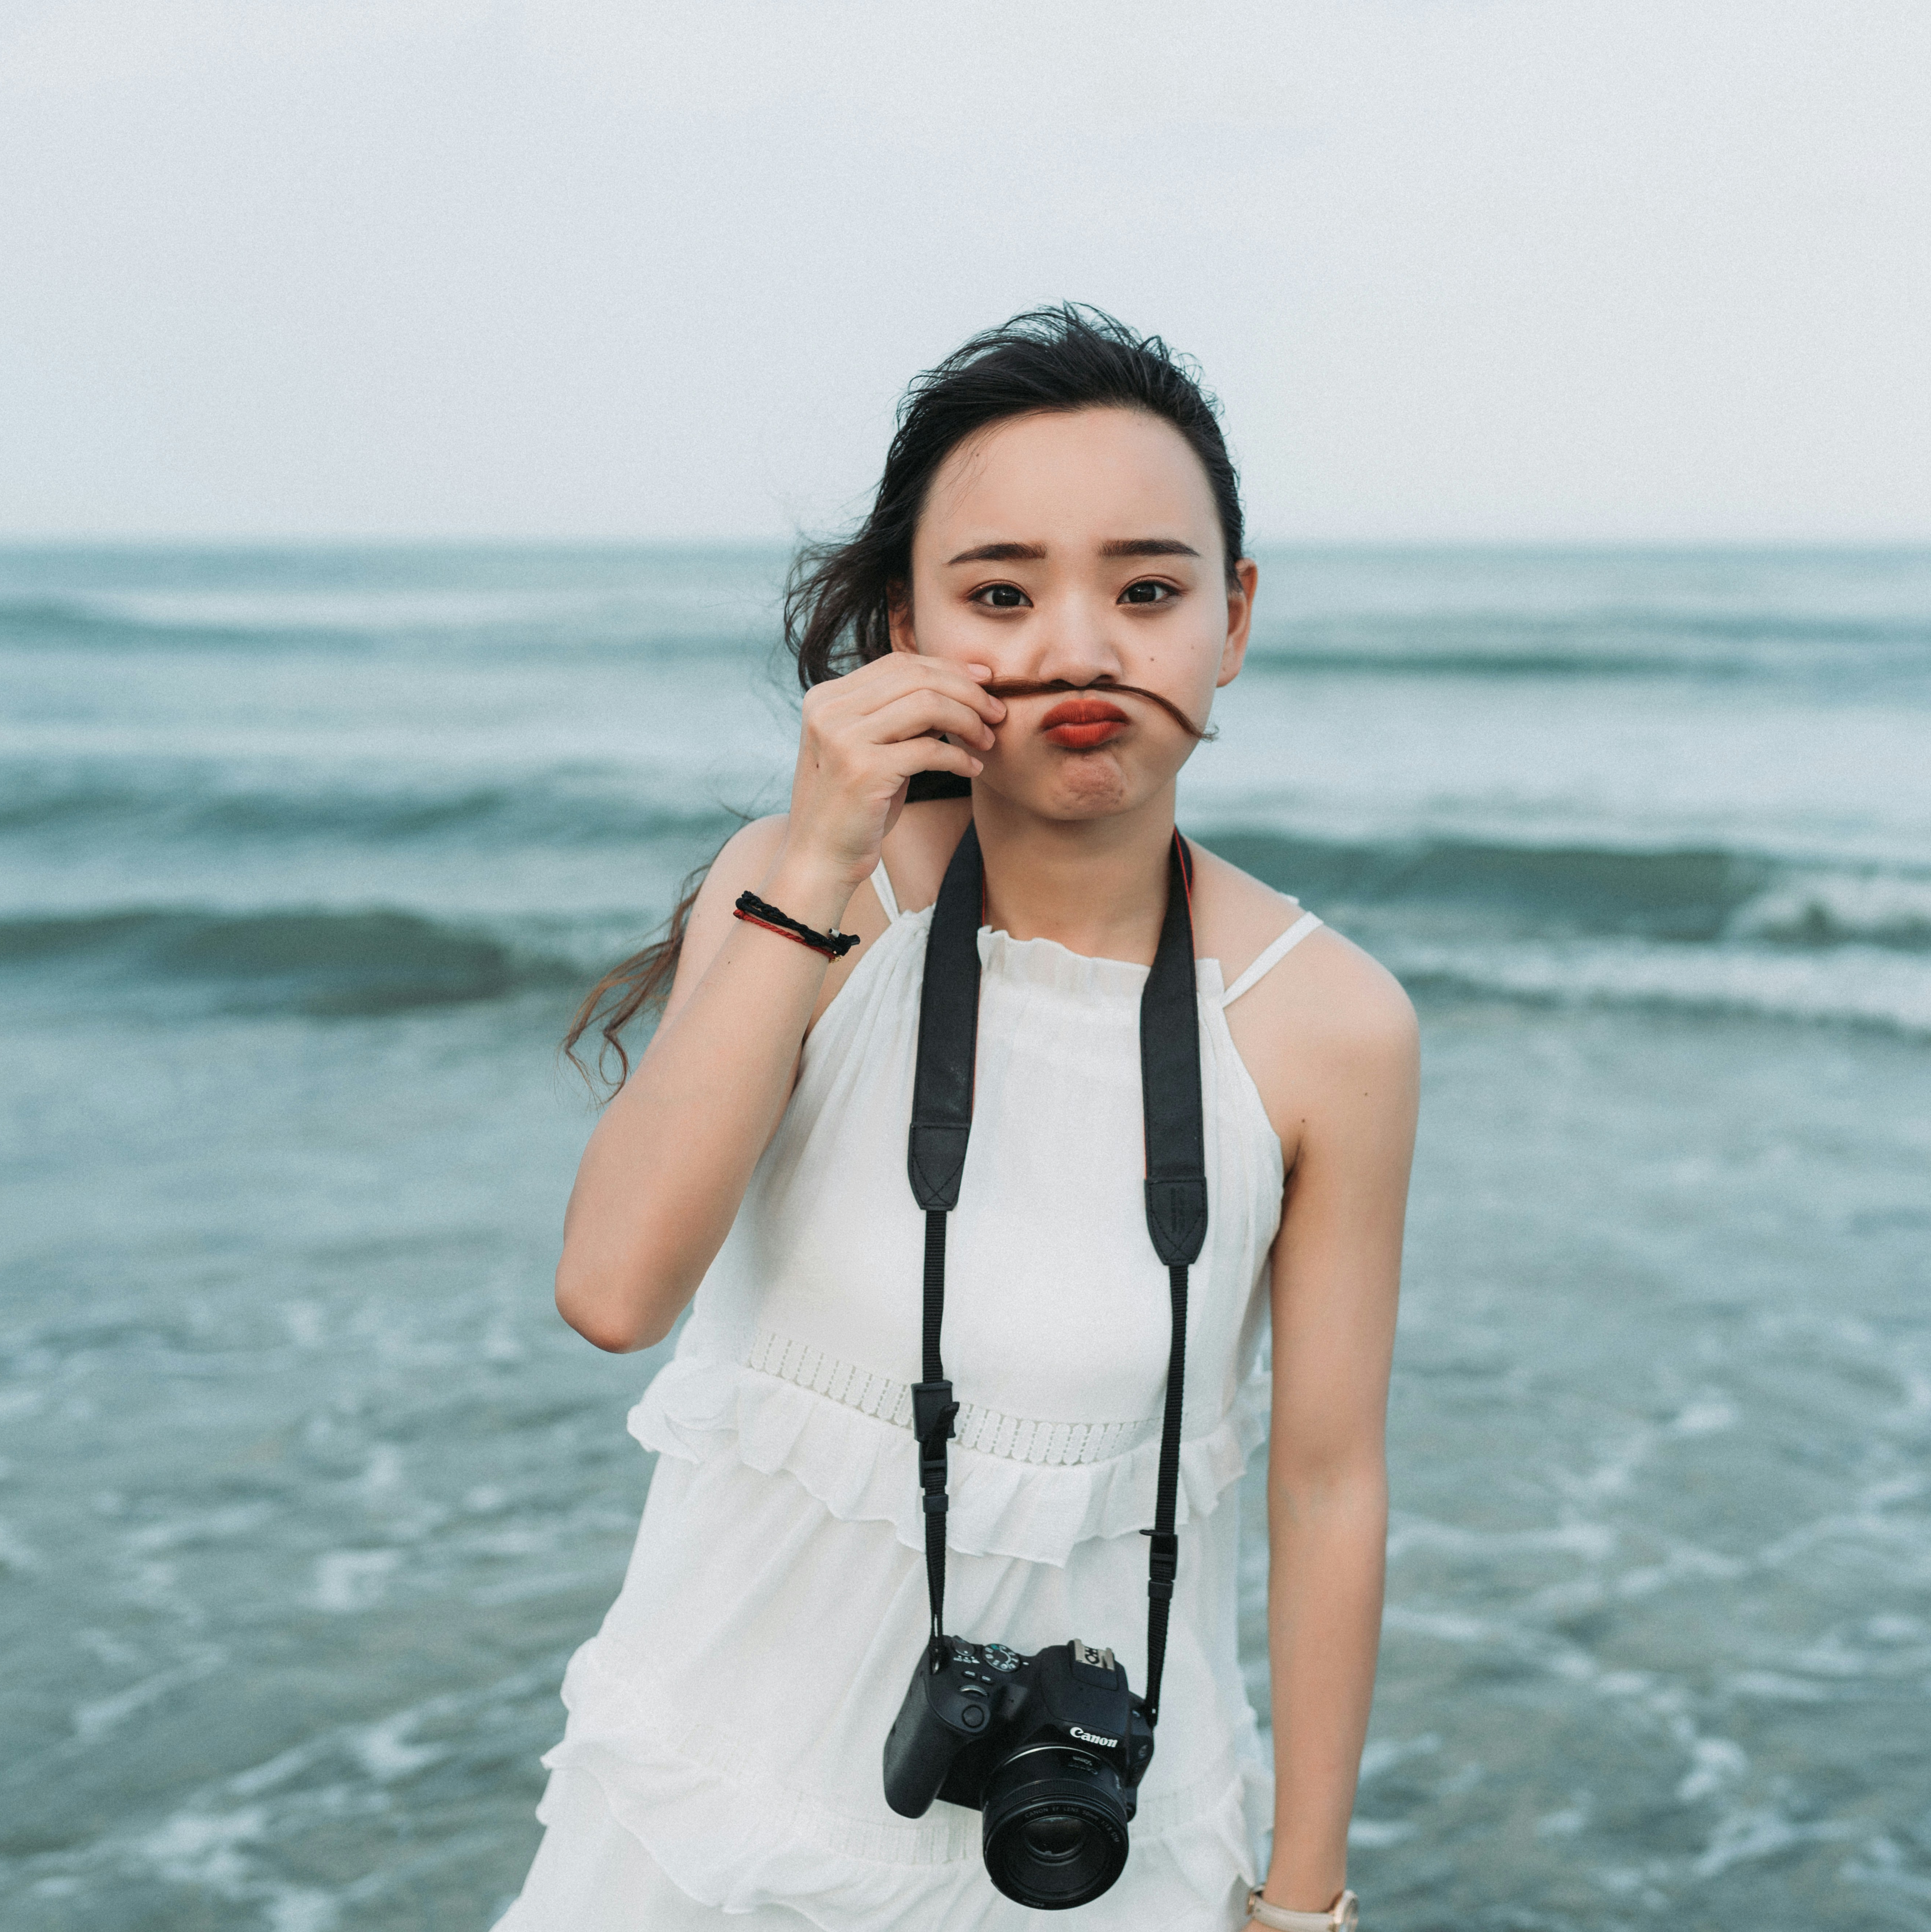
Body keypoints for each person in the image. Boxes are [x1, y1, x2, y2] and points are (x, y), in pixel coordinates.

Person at [497, 306, 1416, 1932]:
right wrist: (807, 858)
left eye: (1147, 590)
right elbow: (613, 1293)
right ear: (907, 626)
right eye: (1000, 593)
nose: (1080, 647)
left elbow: (1329, 1486)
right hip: (717, 1809)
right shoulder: (807, 904)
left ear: (1235, 614)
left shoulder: (1324, 1022)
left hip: (1104, 1846)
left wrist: (1304, 1902)